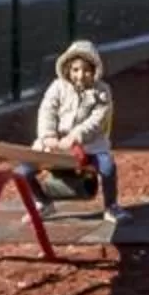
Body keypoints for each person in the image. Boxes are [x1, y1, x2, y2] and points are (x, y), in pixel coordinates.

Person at [30, 38, 120, 226]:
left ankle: (111, 206)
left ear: (95, 71)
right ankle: (43, 201)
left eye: (87, 70)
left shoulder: (102, 91)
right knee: (23, 170)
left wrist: (75, 136)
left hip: (90, 144)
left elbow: (97, 121)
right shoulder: (57, 87)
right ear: (68, 70)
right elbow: (47, 110)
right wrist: (48, 136)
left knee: (108, 167)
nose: (81, 75)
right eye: (76, 70)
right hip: (54, 143)